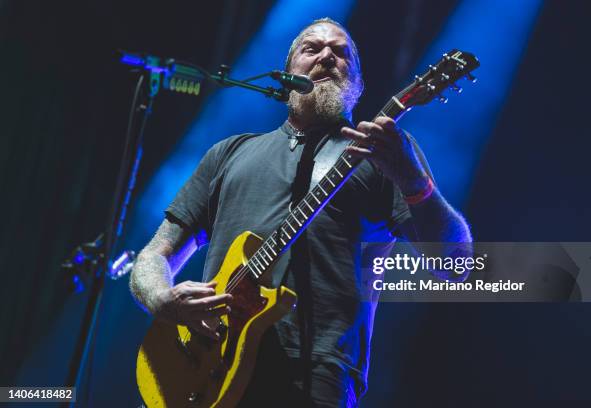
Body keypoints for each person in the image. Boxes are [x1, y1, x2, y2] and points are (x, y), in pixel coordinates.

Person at [129, 17, 472, 407]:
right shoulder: (230, 152)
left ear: (357, 81)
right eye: (312, 49)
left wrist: (413, 180)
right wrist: (161, 298)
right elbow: (156, 253)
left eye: (341, 53)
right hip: (208, 363)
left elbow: (455, 263)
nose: (327, 55)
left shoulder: (385, 153)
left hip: (316, 374)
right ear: (288, 72)